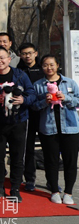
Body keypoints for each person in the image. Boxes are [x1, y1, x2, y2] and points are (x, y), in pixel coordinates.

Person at [0, 46, 36, 203]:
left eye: (2, 58)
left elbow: (32, 93)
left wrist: (23, 100)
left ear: (9, 59)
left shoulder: (21, 75)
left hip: (18, 121)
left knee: (17, 156)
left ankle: (15, 188)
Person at [32, 55, 79, 205]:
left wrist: (66, 98)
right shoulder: (38, 85)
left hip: (70, 129)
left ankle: (68, 192)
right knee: (51, 161)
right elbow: (33, 106)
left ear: (58, 65)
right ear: (42, 67)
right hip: (48, 129)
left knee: (70, 161)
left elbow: (78, 100)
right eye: (45, 65)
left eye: (52, 64)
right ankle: (54, 191)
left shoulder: (69, 82)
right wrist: (44, 102)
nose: (49, 68)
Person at [16, 42, 45, 192]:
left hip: (43, 113)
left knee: (48, 148)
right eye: (24, 53)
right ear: (20, 55)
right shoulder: (18, 71)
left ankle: (51, 181)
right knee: (28, 148)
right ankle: (29, 178)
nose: (27, 56)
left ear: (36, 53)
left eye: (30, 53)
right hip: (25, 113)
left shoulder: (42, 69)